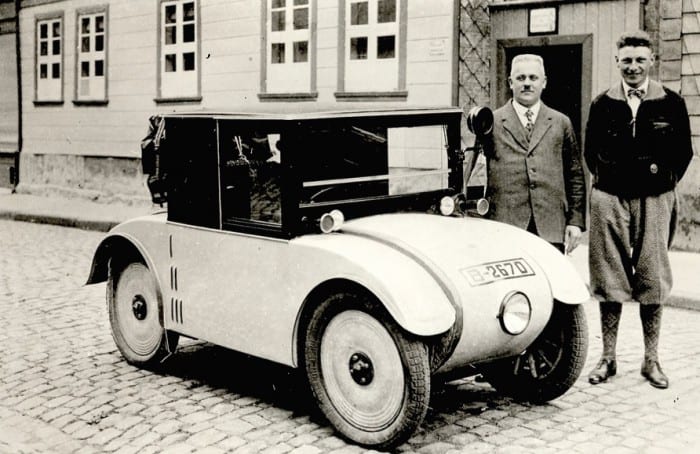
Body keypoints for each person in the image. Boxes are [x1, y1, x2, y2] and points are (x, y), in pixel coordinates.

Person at [584, 31, 693, 389]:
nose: (633, 67)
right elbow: (590, 153)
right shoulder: (602, 103)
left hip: (655, 198)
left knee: (653, 276)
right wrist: (607, 183)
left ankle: (651, 360)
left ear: (651, 62)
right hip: (610, 198)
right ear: (617, 62)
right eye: (626, 60)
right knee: (608, 277)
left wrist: (663, 182)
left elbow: (684, 153)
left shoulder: (671, 102)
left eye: (639, 60)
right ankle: (608, 358)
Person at [486, 54, 586, 254]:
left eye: (533, 78)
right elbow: (478, 173)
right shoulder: (492, 122)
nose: (527, 84)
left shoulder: (560, 122)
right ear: (510, 82)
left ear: (544, 82)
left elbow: (574, 175)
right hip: (506, 225)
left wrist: (575, 221)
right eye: (521, 78)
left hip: (550, 226)